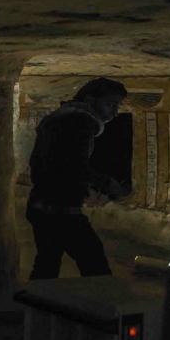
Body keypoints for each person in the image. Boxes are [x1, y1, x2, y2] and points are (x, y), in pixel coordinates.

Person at [26, 77, 132, 280]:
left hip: (41, 203)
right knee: (95, 265)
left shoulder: (61, 118)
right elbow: (74, 165)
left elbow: (50, 164)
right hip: (60, 210)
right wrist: (108, 185)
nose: (114, 112)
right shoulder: (81, 122)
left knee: (47, 264)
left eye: (117, 106)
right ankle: (99, 310)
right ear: (91, 100)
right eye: (110, 104)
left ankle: (37, 309)